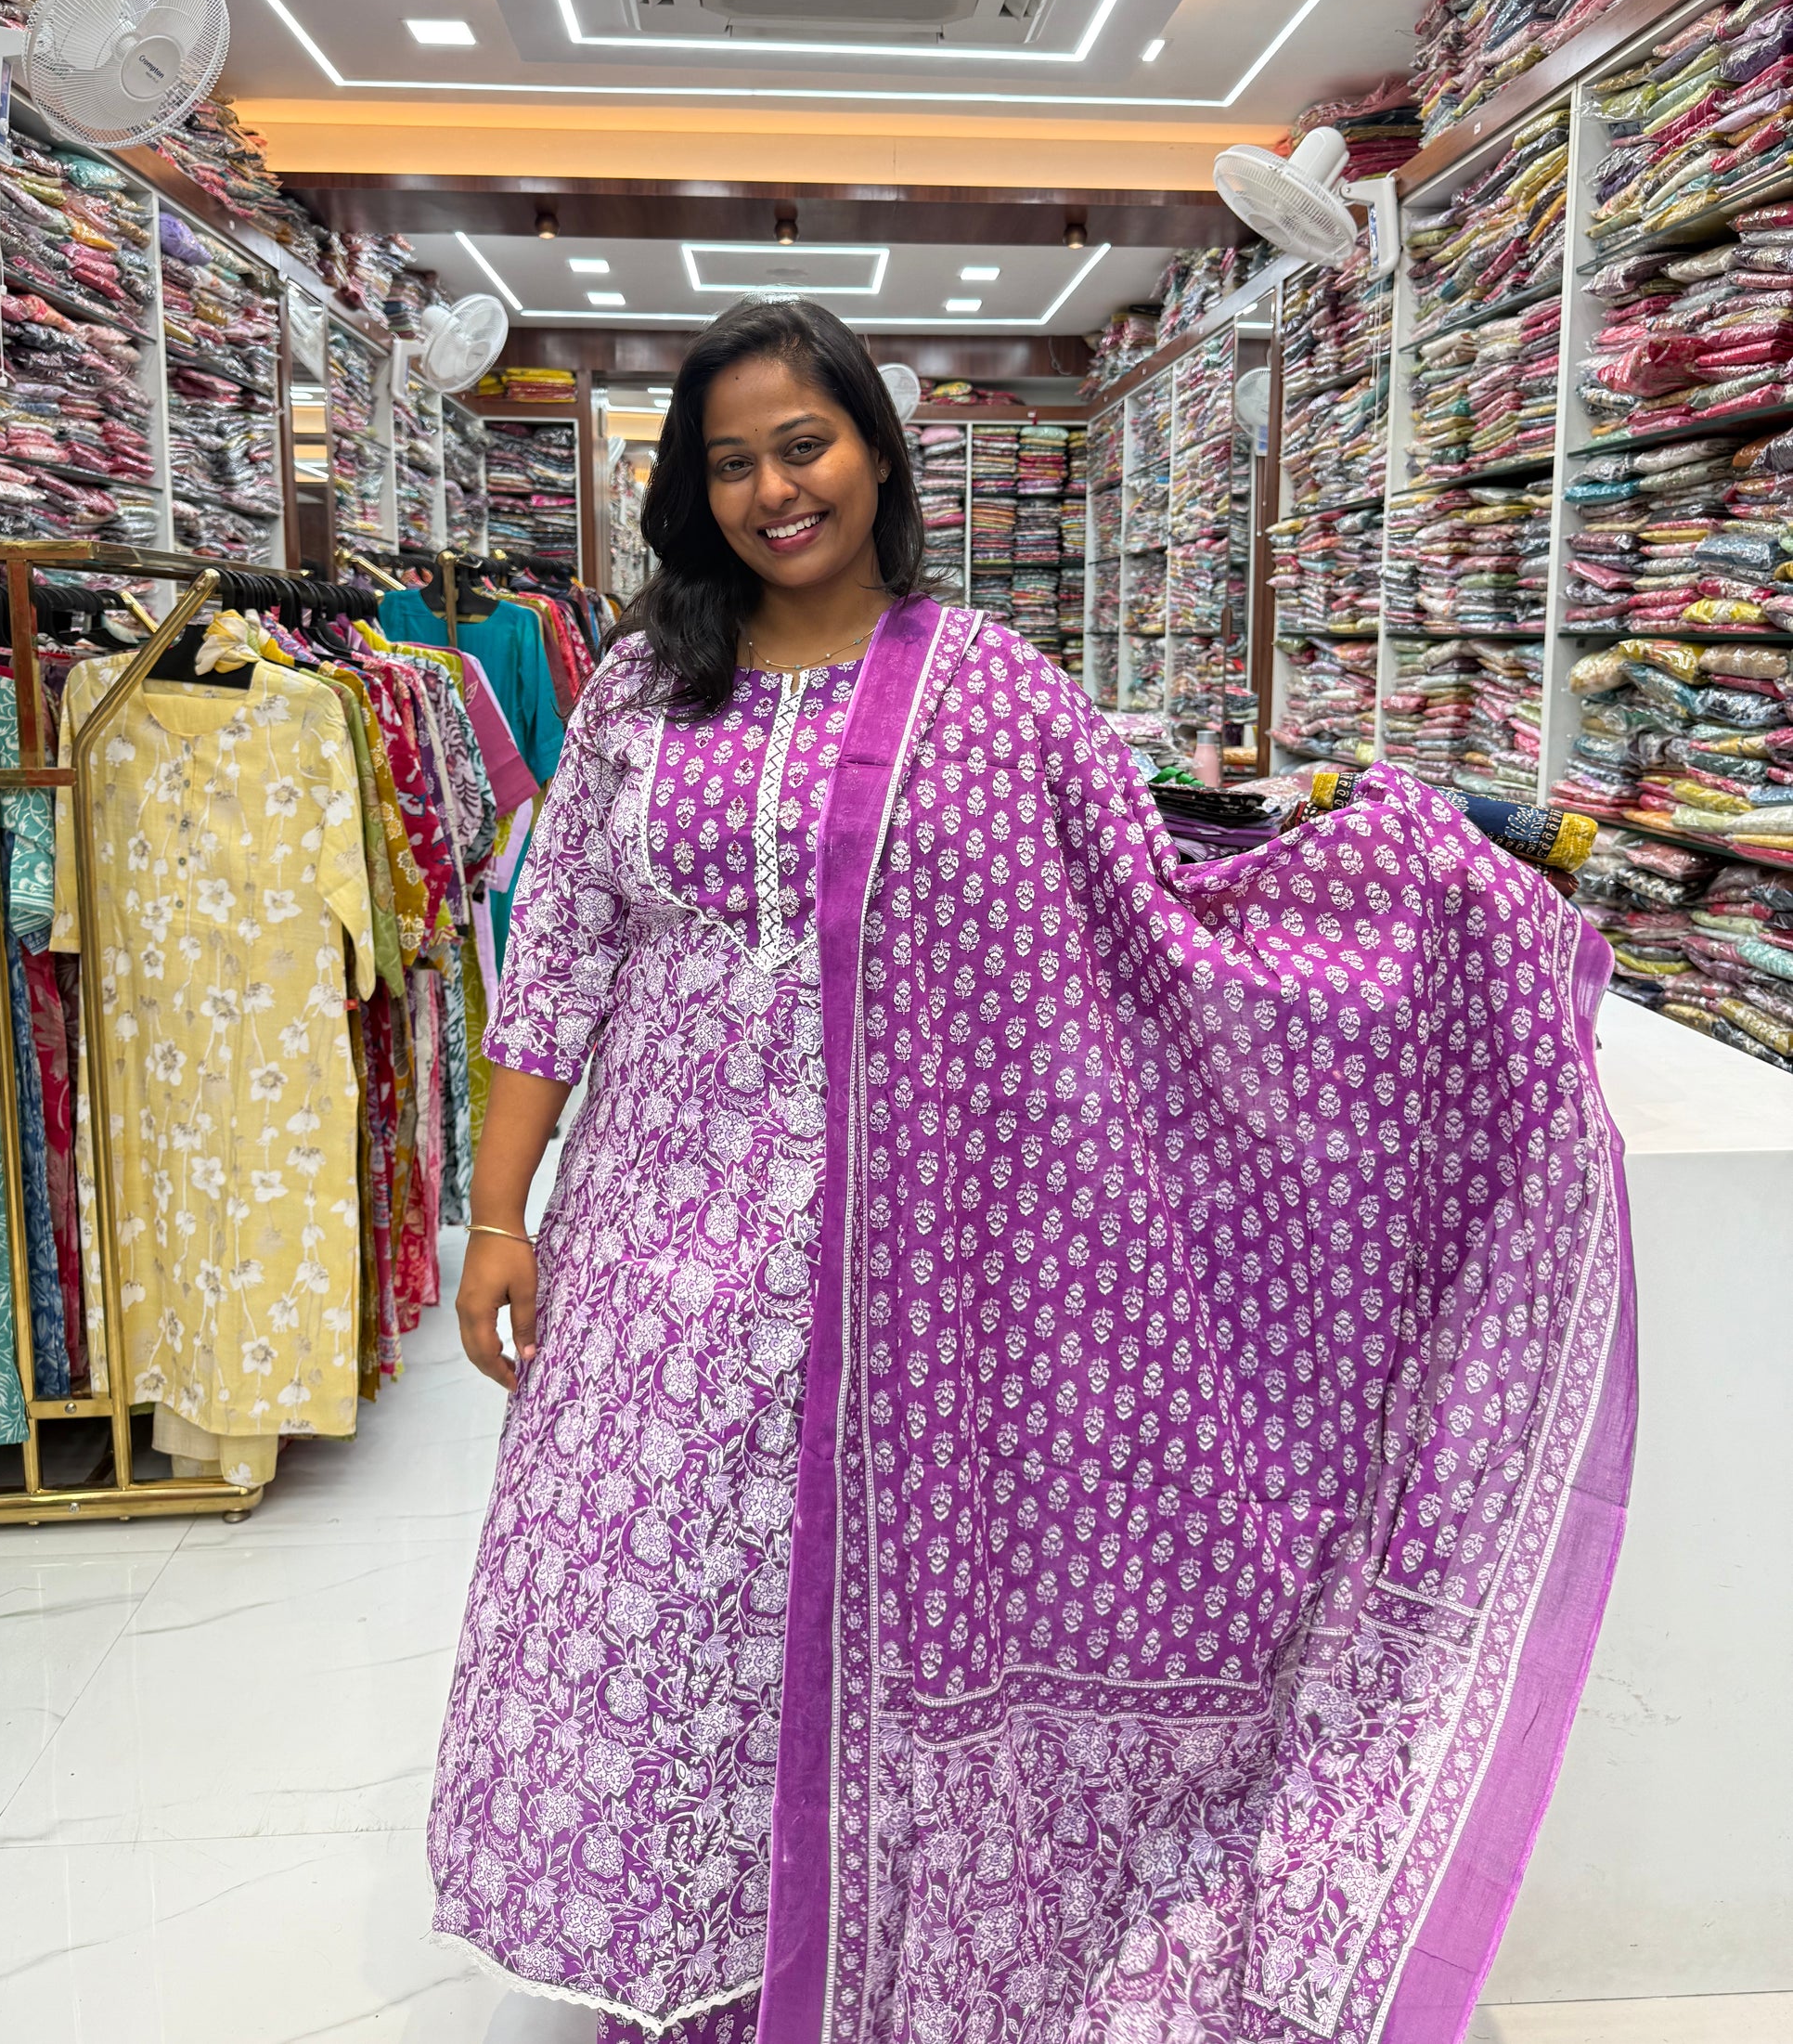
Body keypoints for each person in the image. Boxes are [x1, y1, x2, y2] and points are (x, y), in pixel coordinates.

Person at [429, 298, 1634, 2044]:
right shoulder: (637, 689)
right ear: (690, 490)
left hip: (906, 1259)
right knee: (660, 1601)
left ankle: (859, 1952)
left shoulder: (992, 689)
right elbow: (559, 957)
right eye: (731, 461)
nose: (774, 490)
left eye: (803, 445)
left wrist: (1426, 896)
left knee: (829, 1608)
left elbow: (1152, 912)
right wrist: (496, 1213)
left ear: (875, 452)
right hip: (655, 1238)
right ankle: (687, 1961)